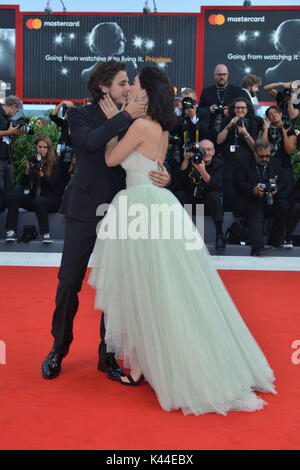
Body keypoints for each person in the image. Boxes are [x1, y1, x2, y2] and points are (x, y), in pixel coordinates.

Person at [89, 66, 276, 416]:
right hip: (157, 205)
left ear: (145, 92)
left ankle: (149, 366)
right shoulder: (160, 127)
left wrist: (114, 125)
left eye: (136, 84)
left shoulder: (141, 125)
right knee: (162, 287)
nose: (130, 88)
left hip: (140, 207)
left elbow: (111, 158)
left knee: (147, 287)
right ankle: (146, 365)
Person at [41, 60, 170, 381]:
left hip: (124, 211)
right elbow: (89, 143)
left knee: (118, 285)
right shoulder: (80, 115)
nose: (129, 88)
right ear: (104, 87)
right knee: (70, 280)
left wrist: (165, 178)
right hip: (85, 209)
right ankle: (59, 347)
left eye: (130, 83)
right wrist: (123, 117)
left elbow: (150, 158)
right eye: (123, 83)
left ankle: (108, 354)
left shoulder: (138, 119)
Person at [5, 134, 70, 243]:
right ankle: (11, 231)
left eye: (45, 147)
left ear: (49, 149)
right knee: (15, 196)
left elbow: (54, 186)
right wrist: (26, 173)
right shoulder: (33, 160)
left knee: (39, 201)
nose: (42, 150)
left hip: (53, 201)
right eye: (40, 147)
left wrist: (41, 175)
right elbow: (24, 184)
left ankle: (45, 234)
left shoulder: (56, 164)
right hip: (36, 199)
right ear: (36, 147)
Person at [235, 139, 289, 255]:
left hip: (270, 198)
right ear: (254, 153)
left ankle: (275, 241)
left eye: (267, 156)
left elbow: (283, 182)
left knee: (283, 205)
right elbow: (239, 182)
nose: (265, 159)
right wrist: (253, 190)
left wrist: (276, 189)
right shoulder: (244, 162)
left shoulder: (276, 163)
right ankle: (257, 248)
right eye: (261, 156)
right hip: (250, 200)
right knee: (256, 208)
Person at [172, 139, 225, 251]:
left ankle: (220, 234)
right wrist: (186, 159)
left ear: (214, 152)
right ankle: (179, 235)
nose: (205, 152)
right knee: (179, 194)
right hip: (191, 201)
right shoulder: (192, 160)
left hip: (206, 204)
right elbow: (179, 180)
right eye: (202, 150)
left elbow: (216, 185)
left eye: (208, 150)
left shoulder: (218, 164)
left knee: (215, 196)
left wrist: (201, 170)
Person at [216, 97, 263, 212]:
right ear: (233, 108)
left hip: (245, 166)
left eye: (243, 108)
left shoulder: (252, 122)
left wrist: (245, 133)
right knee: (229, 197)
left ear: (247, 109)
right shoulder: (227, 120)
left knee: (244, 198)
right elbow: (218, 141)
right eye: (237, 107)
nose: (240, 110)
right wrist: (228, 127)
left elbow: (255, 148)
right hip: (229, 164)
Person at [261, 105, 297, 200]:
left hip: (285, 166)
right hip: (271, 166)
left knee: (286, 195)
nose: (273, 115)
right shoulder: (268, 130)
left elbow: (289, 150)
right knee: (271, 195)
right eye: (270, 115)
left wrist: (284, 132)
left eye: (275, 112)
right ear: (268, 118)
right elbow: (262, 146)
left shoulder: (289, 129)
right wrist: (266, 127)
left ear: (280, 113)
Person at [198, 64, 242, 138]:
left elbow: (244, 109)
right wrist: (209, 109)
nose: (222, 77)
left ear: (228, 75)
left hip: (231, 130)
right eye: (219, 75)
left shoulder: (237, 91)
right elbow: (199, 110)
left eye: (224, 74)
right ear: (214, 75)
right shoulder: (206, 92)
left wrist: (230, 111)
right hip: (210, 130)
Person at [0, 95, 23, 211]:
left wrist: (15, 135)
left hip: (7, 159)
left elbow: (7, 141)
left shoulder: (8, 119)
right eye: (16, 111)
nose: (15, 114)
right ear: (13, 106)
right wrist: (8, 131)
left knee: (8, 193)